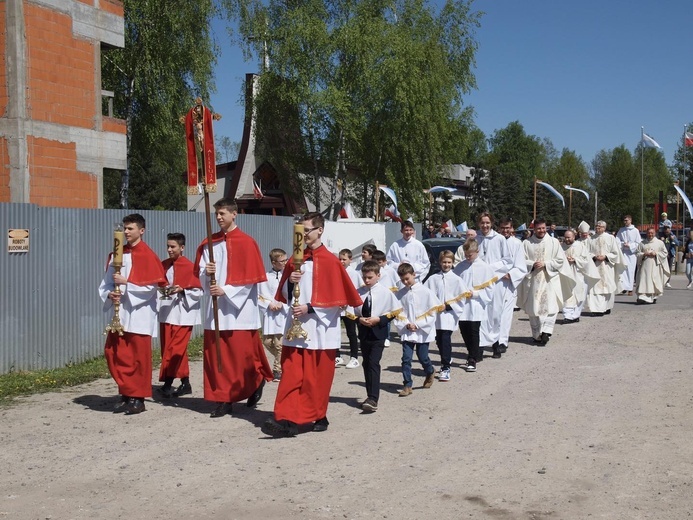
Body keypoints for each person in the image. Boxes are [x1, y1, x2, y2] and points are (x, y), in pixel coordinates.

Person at [262, 212, 362, 437]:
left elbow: (339, 300)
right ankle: (287, 420)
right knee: (291, 375)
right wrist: (290, 280)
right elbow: (285, 296)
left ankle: (317, 414)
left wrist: (311, 307)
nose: (304, 234)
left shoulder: (331, 261)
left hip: (319, 329)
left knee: (316, 379)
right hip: (295, 328)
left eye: (307, 230)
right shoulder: (294, 260)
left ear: (320, 230)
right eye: (301, 230)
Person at [194, 198, 273, 418]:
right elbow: (199, 275)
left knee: (240, 357)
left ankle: (255, 382)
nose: (219, 217)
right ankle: (223, 398)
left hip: (239, 311)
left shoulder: (247, 242)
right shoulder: (209, 243)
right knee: (217, 357)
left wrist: (226, 291)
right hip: (215, 309)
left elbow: (250, 279)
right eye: (217, 214)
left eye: (222, 213)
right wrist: (206, 272)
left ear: (234, 214)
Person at [99, 213, 167, 415]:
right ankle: (125, 393)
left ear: (141, 231)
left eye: (130, 228)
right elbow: (106, 283)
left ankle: (138, 398)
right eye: (125, 228)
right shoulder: (116, 254)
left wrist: (126, 285)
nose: (126, 232)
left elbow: (151, 289)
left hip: (139, 315)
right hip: (119, 315)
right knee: (116, 354)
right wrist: (110, 293)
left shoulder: (147, 255)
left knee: (137, 358)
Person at [455, 212, 510, 356]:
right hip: (476, 283)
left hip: (494, 281)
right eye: (482, 223)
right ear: (478, 224)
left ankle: (496, 342)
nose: (485, 225)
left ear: (492, 223)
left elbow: (507, 261)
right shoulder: (475, 239)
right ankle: (478, 346)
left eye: (487, 223)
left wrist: (489, 268)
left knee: (495, 313)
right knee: (479, 315)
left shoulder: (499, 239)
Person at [354, 260, 402, 412]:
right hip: (364, 333)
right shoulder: (359, 292)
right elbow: (351, 311)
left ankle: (373, 398)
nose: (367, 280)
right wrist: (359, 319)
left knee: (374, 363)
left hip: (378, 333)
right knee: (366, 363)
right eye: (364, 277)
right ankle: (369, 394)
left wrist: (379, 319)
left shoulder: (385, 292)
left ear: (378, 276)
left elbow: (394, 311)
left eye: (370, 277)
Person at [157, 233, 202, 398]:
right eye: (168, 246)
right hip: (167, 312)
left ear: (182, 248)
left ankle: (167, 384)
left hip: (183, 314)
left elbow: (198, 290)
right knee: (170, 349)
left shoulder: (190, 266)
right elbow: (158, 285)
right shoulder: (164, 265)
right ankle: (185, 383)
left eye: (173, 246)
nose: (169, 249)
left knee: (175, 349)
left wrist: (183, 289)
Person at [517, 219, 574, 346]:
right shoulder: (526, 243)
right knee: (534, 308)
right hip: (533, 281)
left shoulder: (553, 242)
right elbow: (521, 260)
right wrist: (532, 264)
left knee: (551, 307)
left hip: (549, 279)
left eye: (543, 228)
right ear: (534, 229)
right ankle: (537, 335)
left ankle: (547, 332)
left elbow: (560, 260)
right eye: (538, 228)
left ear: (546, 228)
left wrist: (546, 264)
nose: (541, 231)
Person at [393, 263, 442, 396]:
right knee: (406, 358)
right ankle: (407, 385)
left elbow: (432, 312)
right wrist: (406, 324)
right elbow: (397, 312)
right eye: (402, 279)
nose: (405, 282)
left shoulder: (425, 292)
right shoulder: (400, 294)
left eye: (407, 278)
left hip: (422, 331)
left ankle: (430, 370)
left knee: (423, 357)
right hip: (407, 330)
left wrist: (418, 324)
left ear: (414, 274)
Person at [452, 240, 494, 372]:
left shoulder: (485, 268)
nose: (468, 257)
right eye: (466, 255)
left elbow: (490, 289)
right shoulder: (460, 266)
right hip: (463, 305)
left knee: (474, 331)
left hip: (476, 304)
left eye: (470, 255)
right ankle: (471, 351)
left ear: (477, 252)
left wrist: (475, 294)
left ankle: (472, 358)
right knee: (464, 330)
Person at [424, 250, 466, 380]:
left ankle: (446, 366)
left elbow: (462, 297)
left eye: (449, 262)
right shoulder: (433, 278)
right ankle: (446, 356)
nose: (446, 265)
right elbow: (426, 294)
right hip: (436, 315)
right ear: (439, 263)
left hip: (448, 315)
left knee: (445, 339)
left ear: (453, 263)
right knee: (439, 340)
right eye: (444, 262)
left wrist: (448, 306)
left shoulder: (457, 280)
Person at [496, 218, 528, 356]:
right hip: (493, 282)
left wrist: (510, 275)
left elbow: (521, 265)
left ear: (512, 228)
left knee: (505, 314)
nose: (505, 230)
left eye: (507, 228)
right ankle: (492, 339)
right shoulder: (494, 241)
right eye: (502, 228)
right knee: (492, 314)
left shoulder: (516, 243)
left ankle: (502, 341)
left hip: (508, 283)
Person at [258, 248, 290, 382]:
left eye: (286, 260)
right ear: (273, 262)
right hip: (270, 313)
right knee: (267, 342)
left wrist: (283, 304)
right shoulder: (265, 277)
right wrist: (269, 304)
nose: (285, 263)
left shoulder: (288, 277)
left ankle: (277, 370)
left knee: (279, 344)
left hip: (282, 314)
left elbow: (292, 294)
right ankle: (284, 360)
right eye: (282, 261)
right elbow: (259, 295)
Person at [584, 220, 626, 316]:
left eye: (600, 226)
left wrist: (606, 257)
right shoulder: (591, 239)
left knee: (607, 287)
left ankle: (607, 306)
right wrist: (594, 257)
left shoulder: (610, 238)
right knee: (595, 288)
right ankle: (597, 309)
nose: (597, 228)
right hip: (595, 266)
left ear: (604, 228)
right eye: (596, 226)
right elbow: (586, 253)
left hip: (607, 266)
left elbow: (616, 253)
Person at [561, 229, 600, 323]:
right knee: (566, 294)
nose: (567, 239)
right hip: (565, 274)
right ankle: (568, 315)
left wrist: (575, 260)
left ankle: (575, 315)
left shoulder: (580, 246)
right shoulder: (561, 247)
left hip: (578, 274)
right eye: (565, 237)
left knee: (579, 294)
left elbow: (586, 260)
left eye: (569, 237)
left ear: (574, 237)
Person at [337, 248, 361, 369]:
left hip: (349, 308)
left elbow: (356, 290)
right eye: (340, 259)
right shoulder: (335, 271)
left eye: (344, 259)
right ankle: (337, 355)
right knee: (336, 332)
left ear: (350, 260)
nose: (341, 261)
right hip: (337, 307)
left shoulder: (354, 273)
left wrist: (347, 301)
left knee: (351, 332)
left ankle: (354, 357)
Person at [635, 228, 670, 304]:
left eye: (652, 233)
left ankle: (653, 296)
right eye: (649, 233)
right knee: (643, 280)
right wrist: (644, 254)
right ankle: (642, 297)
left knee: (654, 280)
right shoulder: (642, 243)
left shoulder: (660, 243)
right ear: (646, 233)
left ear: (655, 233)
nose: (650, 234)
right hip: (645, 265)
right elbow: (637, 253)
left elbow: (664, 253)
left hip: (655, 265)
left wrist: (656, 254)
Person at [616, 215, 641, 296]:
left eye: (626, 220)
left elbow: (638, 243)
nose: (625, 222)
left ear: (630, 220)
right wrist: (623, 244)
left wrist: (630, 245)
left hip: (631, 254)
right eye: (624, 220)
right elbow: (617, 240)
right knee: (622, 271)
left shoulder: (635, 230)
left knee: (630, 271)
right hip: (623, 253)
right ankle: (623, 287)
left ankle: (630, 289)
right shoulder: (621, 230)